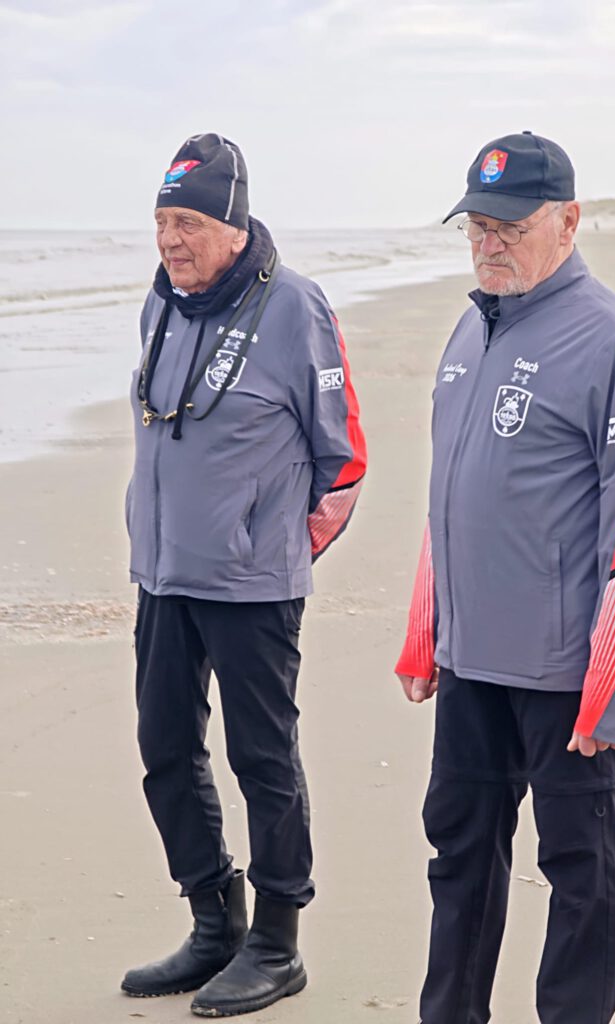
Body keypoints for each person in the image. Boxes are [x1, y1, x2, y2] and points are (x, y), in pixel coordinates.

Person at [395, 132, 615, 1024]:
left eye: (511, 227)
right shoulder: (469, 329)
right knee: (458, 855)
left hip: (564, 675)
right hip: (469, 662)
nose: (491, 244)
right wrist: (425, 632)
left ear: (568, 221)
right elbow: (451, 498)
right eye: (478, 226)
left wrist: (609, 692)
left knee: (580, 870)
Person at [121, 133, 366, 1018]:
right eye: (161, 222)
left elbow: (343, 458)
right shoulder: (161, 304)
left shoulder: (295, 306)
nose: (170, 241)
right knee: (164, 749)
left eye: (187, 223)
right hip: (163, 576)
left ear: (232, 226)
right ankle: (212, 920)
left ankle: (276, 942)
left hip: (252, 584)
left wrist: (270, 547)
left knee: (262, 758)